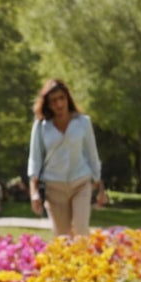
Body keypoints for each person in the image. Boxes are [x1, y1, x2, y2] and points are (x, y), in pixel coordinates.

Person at [27, 79, 107, 237]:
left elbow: (92, 154)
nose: (59, 104)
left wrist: (100, 186)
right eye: (53, 101)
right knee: (62, 237)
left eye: (61, 98)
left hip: (81, 183)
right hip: (54, 187)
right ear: (47, 104)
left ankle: (86, 253)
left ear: (67, 99)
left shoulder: (83, 122)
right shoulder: (41, 126)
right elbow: (35, 159)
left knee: (81, 231)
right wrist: (33, 191)